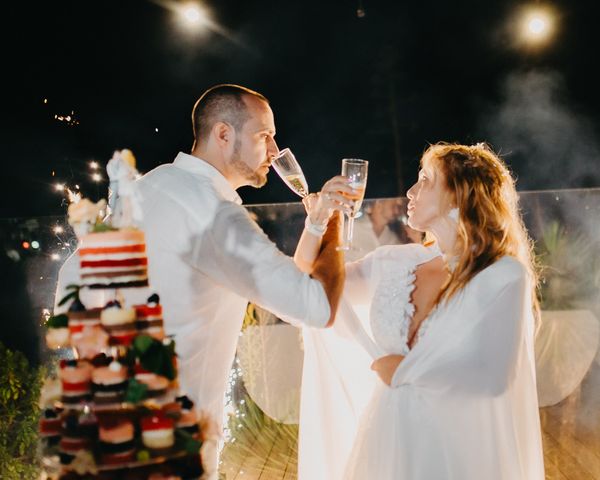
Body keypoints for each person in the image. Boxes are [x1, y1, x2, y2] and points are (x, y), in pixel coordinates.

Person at [294, 142, 545, 479]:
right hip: (387, 439)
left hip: (459, 448)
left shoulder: (502, 275)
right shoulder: (394, 262)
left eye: (426, 180)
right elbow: (314, 280)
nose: (411, 191)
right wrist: (319, 220)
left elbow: (494, 377)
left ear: (458, 195)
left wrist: (405, 371)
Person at [135, 84, 345, 477]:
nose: (273, 150)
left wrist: (313, 225)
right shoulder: (215, 213)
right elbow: (314, 307)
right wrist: (334, 228)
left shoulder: (146, 187)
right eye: (264, 135)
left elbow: (70, 282)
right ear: (223, 134)